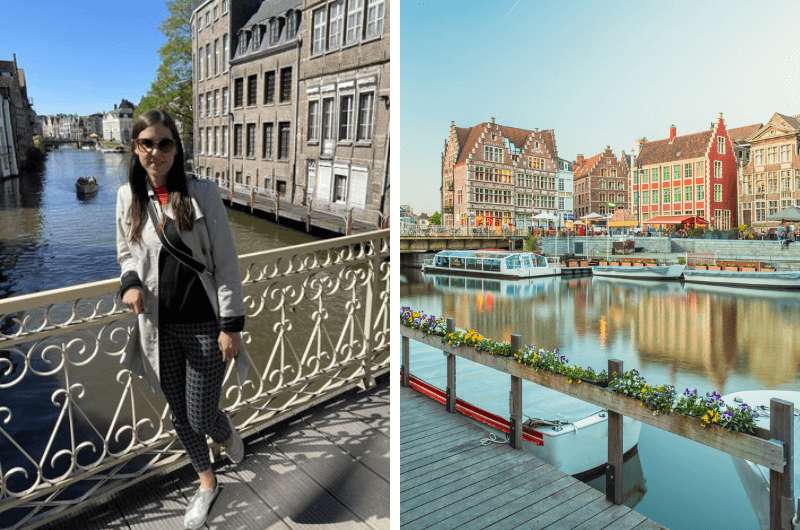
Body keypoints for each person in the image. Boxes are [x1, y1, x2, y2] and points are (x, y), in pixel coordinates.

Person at [115, 109, 247, 529]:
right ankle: (207, 484)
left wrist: (231, 325)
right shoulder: (126, 197)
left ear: (177, 147)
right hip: (159, 327)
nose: (156, 152)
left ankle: (223, 432)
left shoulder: (201, 193)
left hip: (204, 325)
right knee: (178, 413)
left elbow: (226, 261)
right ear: (135, 149)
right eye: (147, 144)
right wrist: (130, 283)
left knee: (200, 414)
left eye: (164, 143)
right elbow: (124, 253)